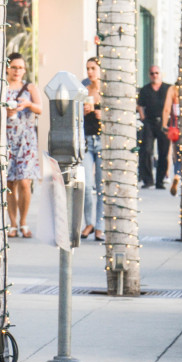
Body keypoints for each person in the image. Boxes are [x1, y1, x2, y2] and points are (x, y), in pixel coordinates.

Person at [3, 53, 42, 238]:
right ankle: (12, 224)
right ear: (7, 68)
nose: (17, 70)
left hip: (26, 140)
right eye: (14, 67)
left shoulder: (29, 88)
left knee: (25, 182)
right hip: (6, 139)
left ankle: (24, 222)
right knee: (10, 182)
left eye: (20, 67)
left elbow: (40, 108)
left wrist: (28, 104)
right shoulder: (1, 88)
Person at [136, 66, 174, 189]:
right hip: (149, 122)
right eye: (152, 73)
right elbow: (140, 105)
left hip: (164, 123)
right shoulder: (145, 89)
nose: (154, 75)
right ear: (149, 75)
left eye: (157, 73)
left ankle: (160, 181)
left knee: (164, 151)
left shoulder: (168, 88)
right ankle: (148, 180)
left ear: (160, 74)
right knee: (146, 150)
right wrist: (142, 116)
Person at [82, 57, 106, 242]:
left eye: (93, 68)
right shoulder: (83, 90)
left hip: (103, 141)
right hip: (87, 140)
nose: (90, 72)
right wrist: (82, 111)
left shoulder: (107, 91)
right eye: (88, 68)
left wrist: (103, 114)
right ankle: (88, 222)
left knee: (101, 186)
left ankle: (99, 226)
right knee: (86, 185)